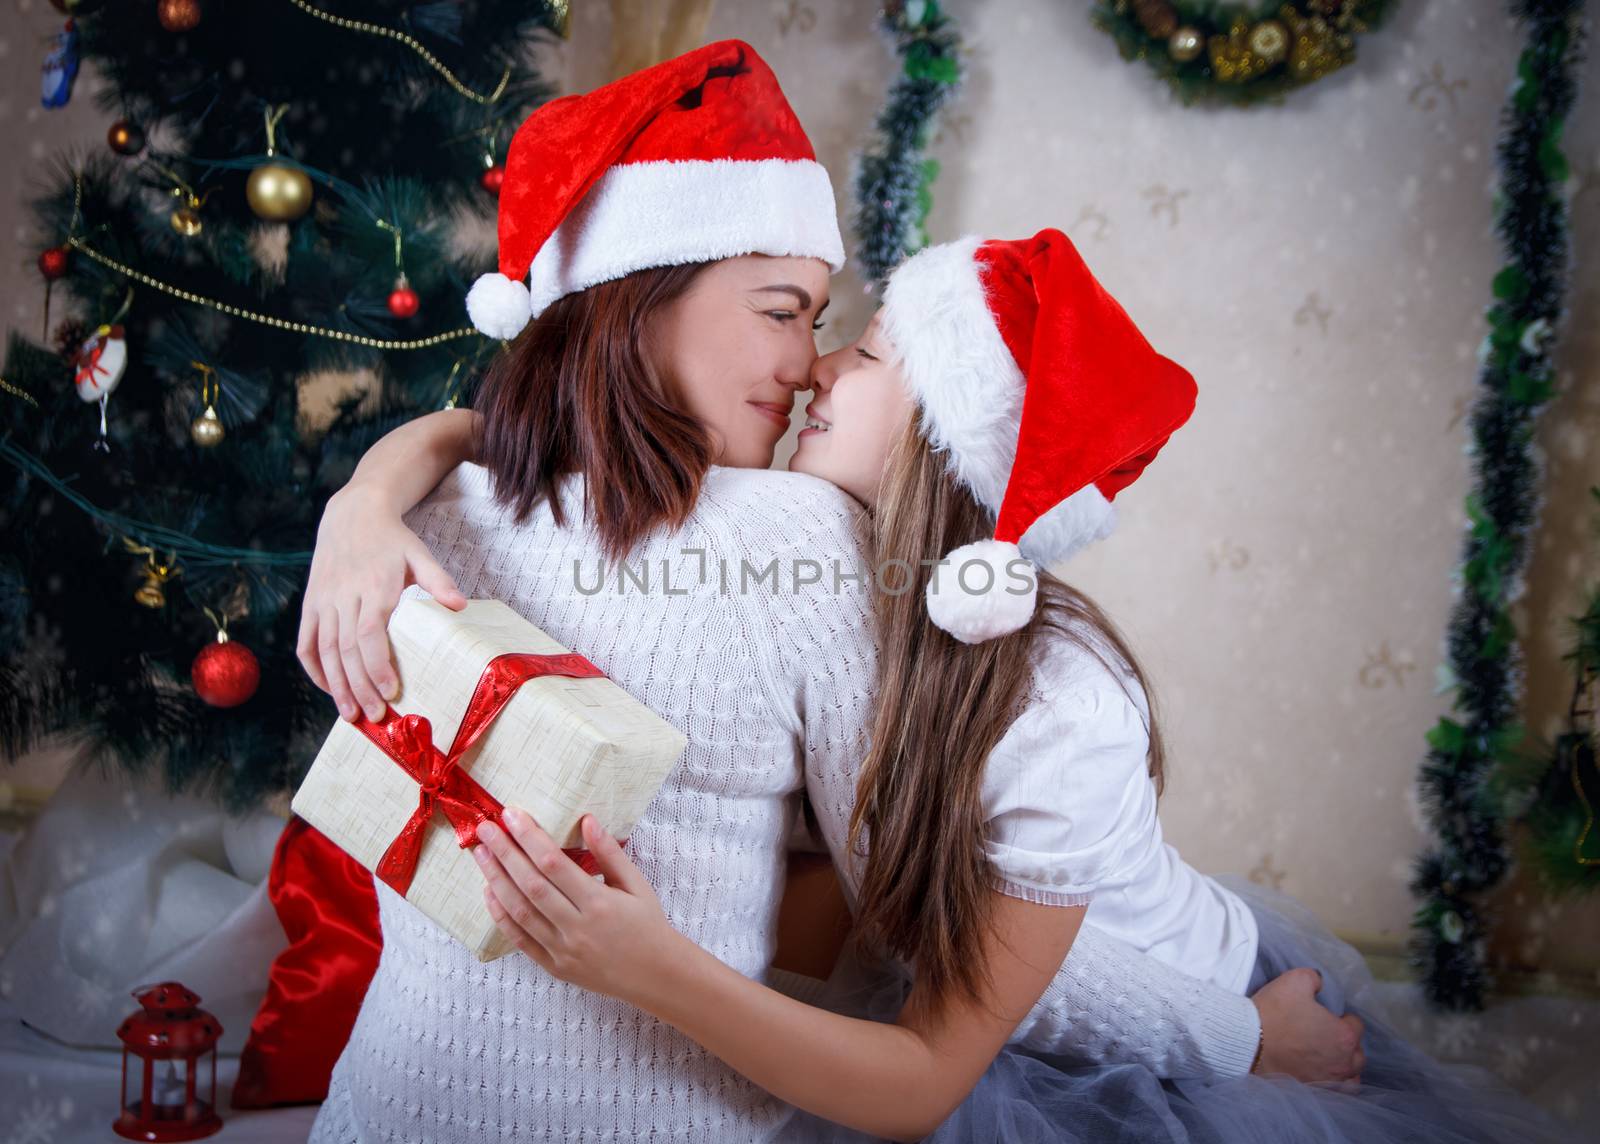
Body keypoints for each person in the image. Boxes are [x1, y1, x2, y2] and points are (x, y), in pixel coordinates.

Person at [300, 40, 1345, 1144]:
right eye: (781, 309)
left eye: (829, 324)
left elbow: (938, 938)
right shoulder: (427, 523)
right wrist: (366, 501)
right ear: (641, 295)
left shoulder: (456, 507)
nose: (810, 363)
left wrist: (369, 490)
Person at [459, 230, 1570, 1144]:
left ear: (952, 440)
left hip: (1166, 1019)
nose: (819, 367)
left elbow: (1004, 973)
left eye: (874, 354)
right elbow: (532, 449)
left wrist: (1238, 1039)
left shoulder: (1058, 701)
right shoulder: (812, 573)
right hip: (967, 982)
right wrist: (377, 489)